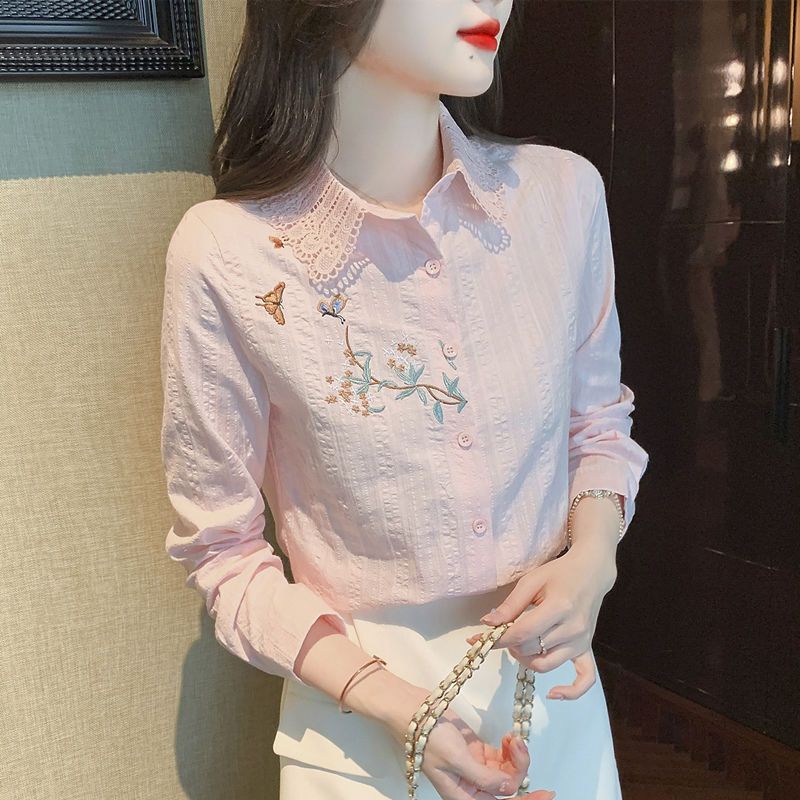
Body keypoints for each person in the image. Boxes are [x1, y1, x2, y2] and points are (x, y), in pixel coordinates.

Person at [158, 0, 650, 798]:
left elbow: (596, 423)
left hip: (554, 700)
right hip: (356, 728)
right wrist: (390, 702)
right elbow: (223, 551)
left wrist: (592, 559)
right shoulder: (228, 254)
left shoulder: (562, 196)